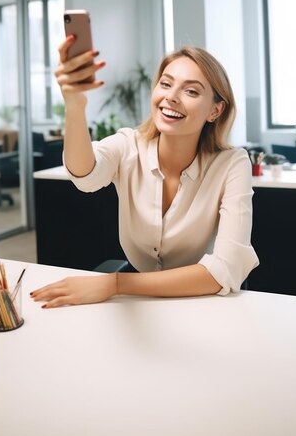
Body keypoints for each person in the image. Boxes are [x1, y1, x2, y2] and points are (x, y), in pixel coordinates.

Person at [30, 37, 259, 308]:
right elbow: (85, 176)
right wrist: (75, 106)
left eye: (192, 91)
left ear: (215, 110)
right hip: (139, 298)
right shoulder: (129, 144)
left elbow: (225, 269)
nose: (171, 96)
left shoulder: (232, 163)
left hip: (201, 298)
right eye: (166, 83)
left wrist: (115, 284)